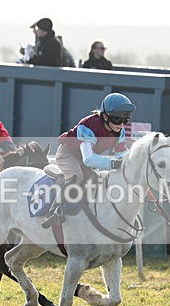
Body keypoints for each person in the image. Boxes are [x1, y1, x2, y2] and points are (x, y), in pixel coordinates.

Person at [42, 92, 136, 228]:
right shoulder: (88, 126)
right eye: (117, 119)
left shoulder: (119, 131)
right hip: (68, 153)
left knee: (94, 179)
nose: (121, 124)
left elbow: (121, 153)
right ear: (105, 116)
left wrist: (133, 161)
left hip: (83, 157)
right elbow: (89, 159)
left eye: (125, 120)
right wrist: (112, 164)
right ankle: (52, 211)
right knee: (77, 176)